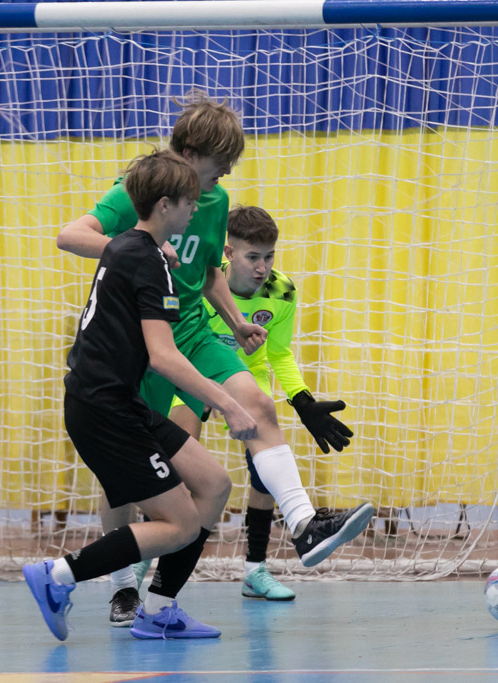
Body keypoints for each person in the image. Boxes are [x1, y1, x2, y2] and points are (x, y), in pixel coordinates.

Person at [56, 92, 374, 627]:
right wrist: (140, 249)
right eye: (219, 160)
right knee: (126, 481)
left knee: (258, 405)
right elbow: (71, 235)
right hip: (146, 344)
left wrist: (235, 322)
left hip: (194, 331)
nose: (226, 171)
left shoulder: (216, 200)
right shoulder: (140, 191)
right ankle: (122, 585)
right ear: (188, 153)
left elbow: (207, 271)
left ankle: (303, 524)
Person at [24, 150, 258, 641]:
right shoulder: (145, 259)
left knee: (214, 484)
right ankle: (57, 575)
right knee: (181, 523)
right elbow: (163, 357)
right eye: (190, 203)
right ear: (165, 205)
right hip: (103, 410)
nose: (196, 211)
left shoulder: (134, 248)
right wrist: (229, 403)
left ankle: (159, 610)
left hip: (116, 402)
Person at [160, 204, 354, 602]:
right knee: (176, 464)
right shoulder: (201, 282)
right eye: (253, 257)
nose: (263, 267)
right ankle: (145, 563)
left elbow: (278, 353)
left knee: (264, 468)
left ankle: (255, 570)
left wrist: (302, 400)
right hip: (195, 370)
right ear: (229, 253)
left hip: (246, 375)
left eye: (269, 256)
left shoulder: (282, 292)